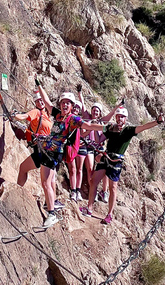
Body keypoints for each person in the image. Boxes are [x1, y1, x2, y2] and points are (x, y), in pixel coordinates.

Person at [36, 82, 106, 228]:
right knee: (46, 181)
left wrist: (106, 127)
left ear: (72, 106)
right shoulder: (57, 115)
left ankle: (51, 214)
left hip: (54, 153)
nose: (65, 105)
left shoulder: (73, 119)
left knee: (46, 183)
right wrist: (39, 86)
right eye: (63, 103)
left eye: (68, 103)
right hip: (47, 150)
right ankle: (51, 206)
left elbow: (90, 126)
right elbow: (47, 103)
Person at [80, 106, 164, 224]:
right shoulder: (110, 128)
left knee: (113, 187)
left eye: (122, 117)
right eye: (118, 116)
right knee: (94, 181)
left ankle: (109, 214)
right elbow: (94, 127)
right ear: (116, 117)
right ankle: (89, 208)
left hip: (116, 160)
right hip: (107, 156)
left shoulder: (129, 130)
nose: (120, 119)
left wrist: (157, 122)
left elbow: (143, 127)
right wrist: (80, 123)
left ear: (126, 118)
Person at [15, 91, 53, 187]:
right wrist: (16, 116)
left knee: (24, 169)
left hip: (42, 151)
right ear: (35, 103)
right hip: (48, 150)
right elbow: (24, 116)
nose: (40, 102)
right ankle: (52, 201)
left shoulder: (47, 115)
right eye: (37, 101)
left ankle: (19, 189)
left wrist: (14, 115)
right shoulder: (36, 112)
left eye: (41, 100)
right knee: (49, 178)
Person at [66, 100, 86, 202]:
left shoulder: (79, 121)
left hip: (79, 146)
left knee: (79, 169)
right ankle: (73, 190)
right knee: (72, 169)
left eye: (78, 108)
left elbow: (83, 134)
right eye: (75, 107)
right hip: (69, 146)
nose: (76, 109)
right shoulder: (67, 118)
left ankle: (77, 190)